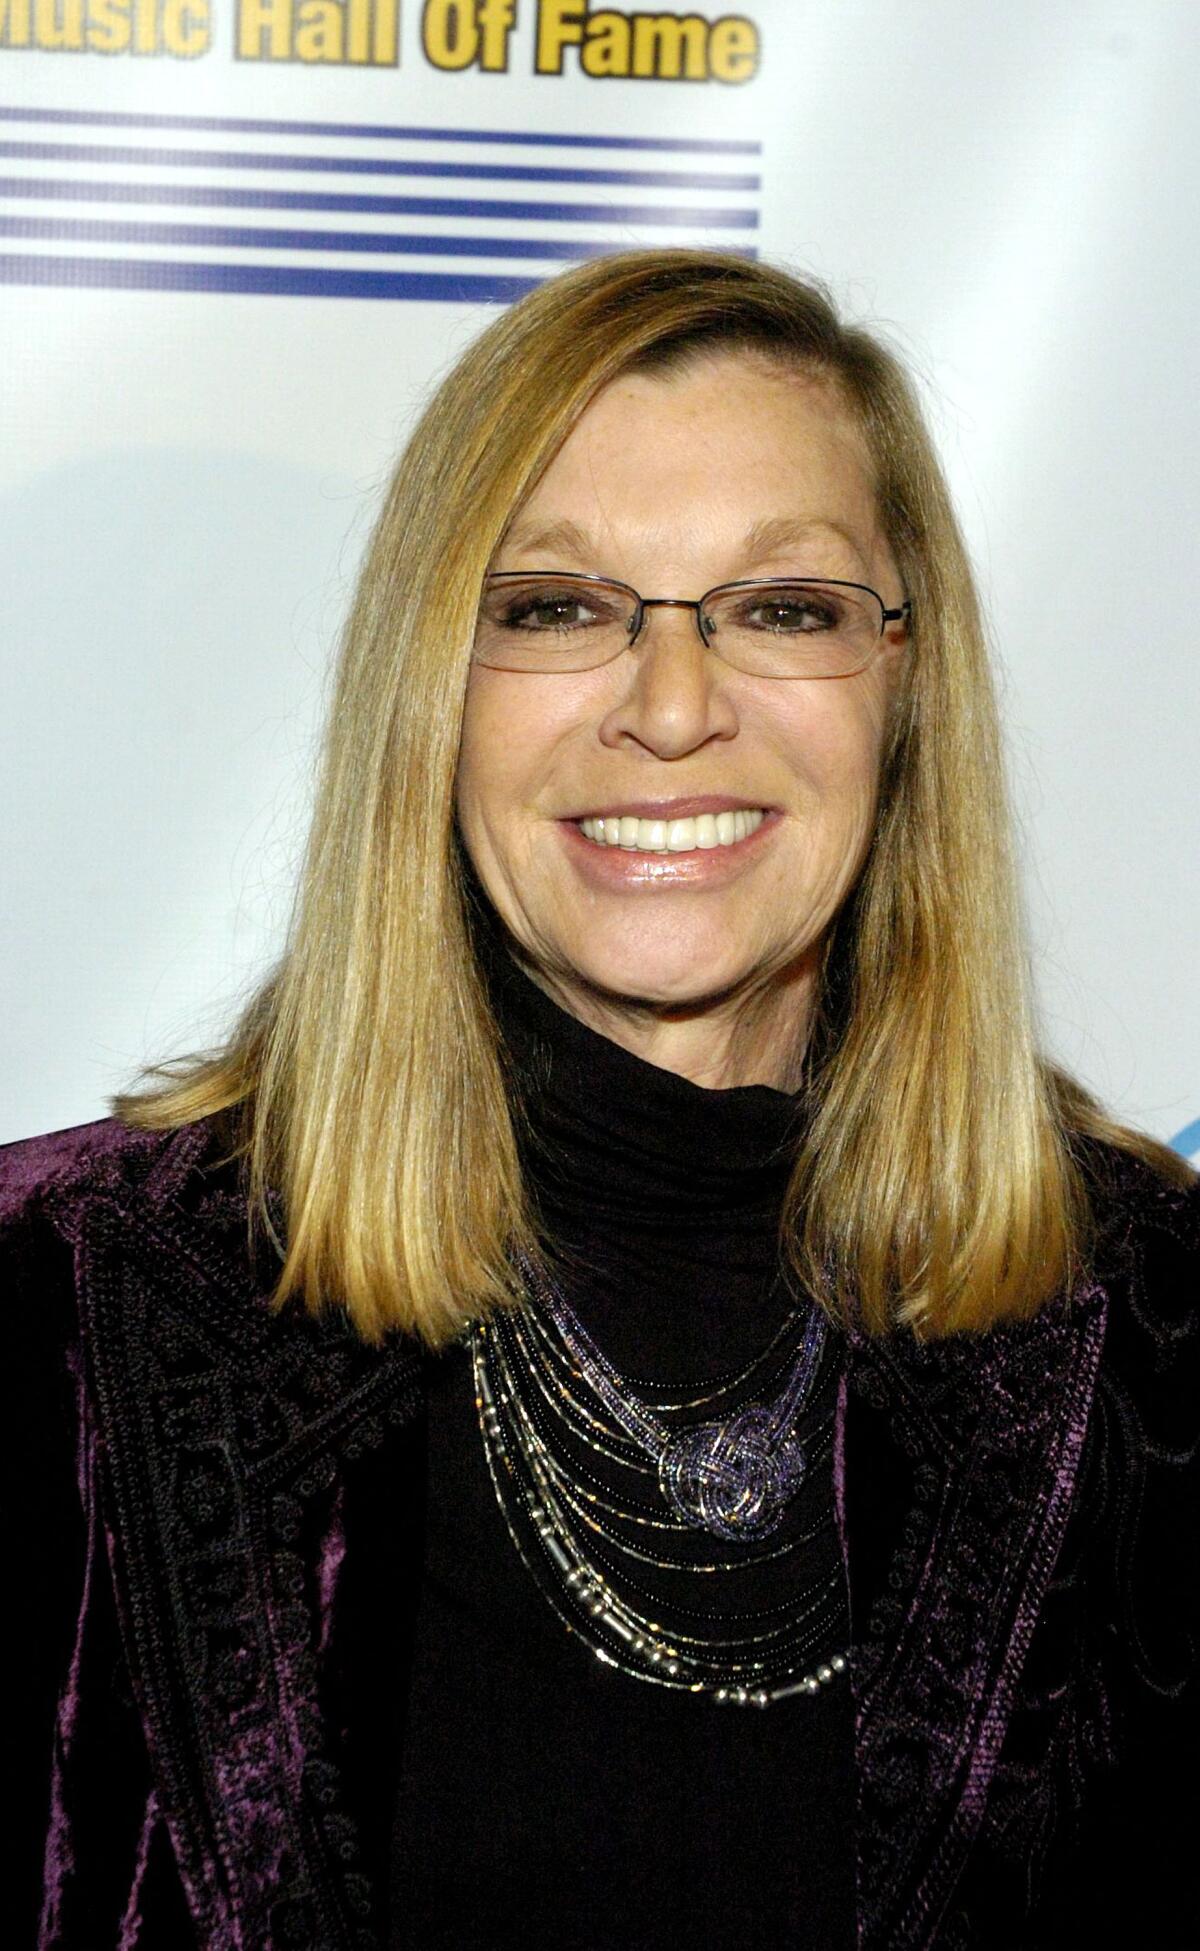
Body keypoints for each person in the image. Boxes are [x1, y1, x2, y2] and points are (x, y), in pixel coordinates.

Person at [5, 249, 1197, 1951]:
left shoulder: (1146, 1325)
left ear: (903, 682)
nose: (673, 708)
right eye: (556, 607)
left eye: (782, 609)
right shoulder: (61, 1297)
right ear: (432, 688)